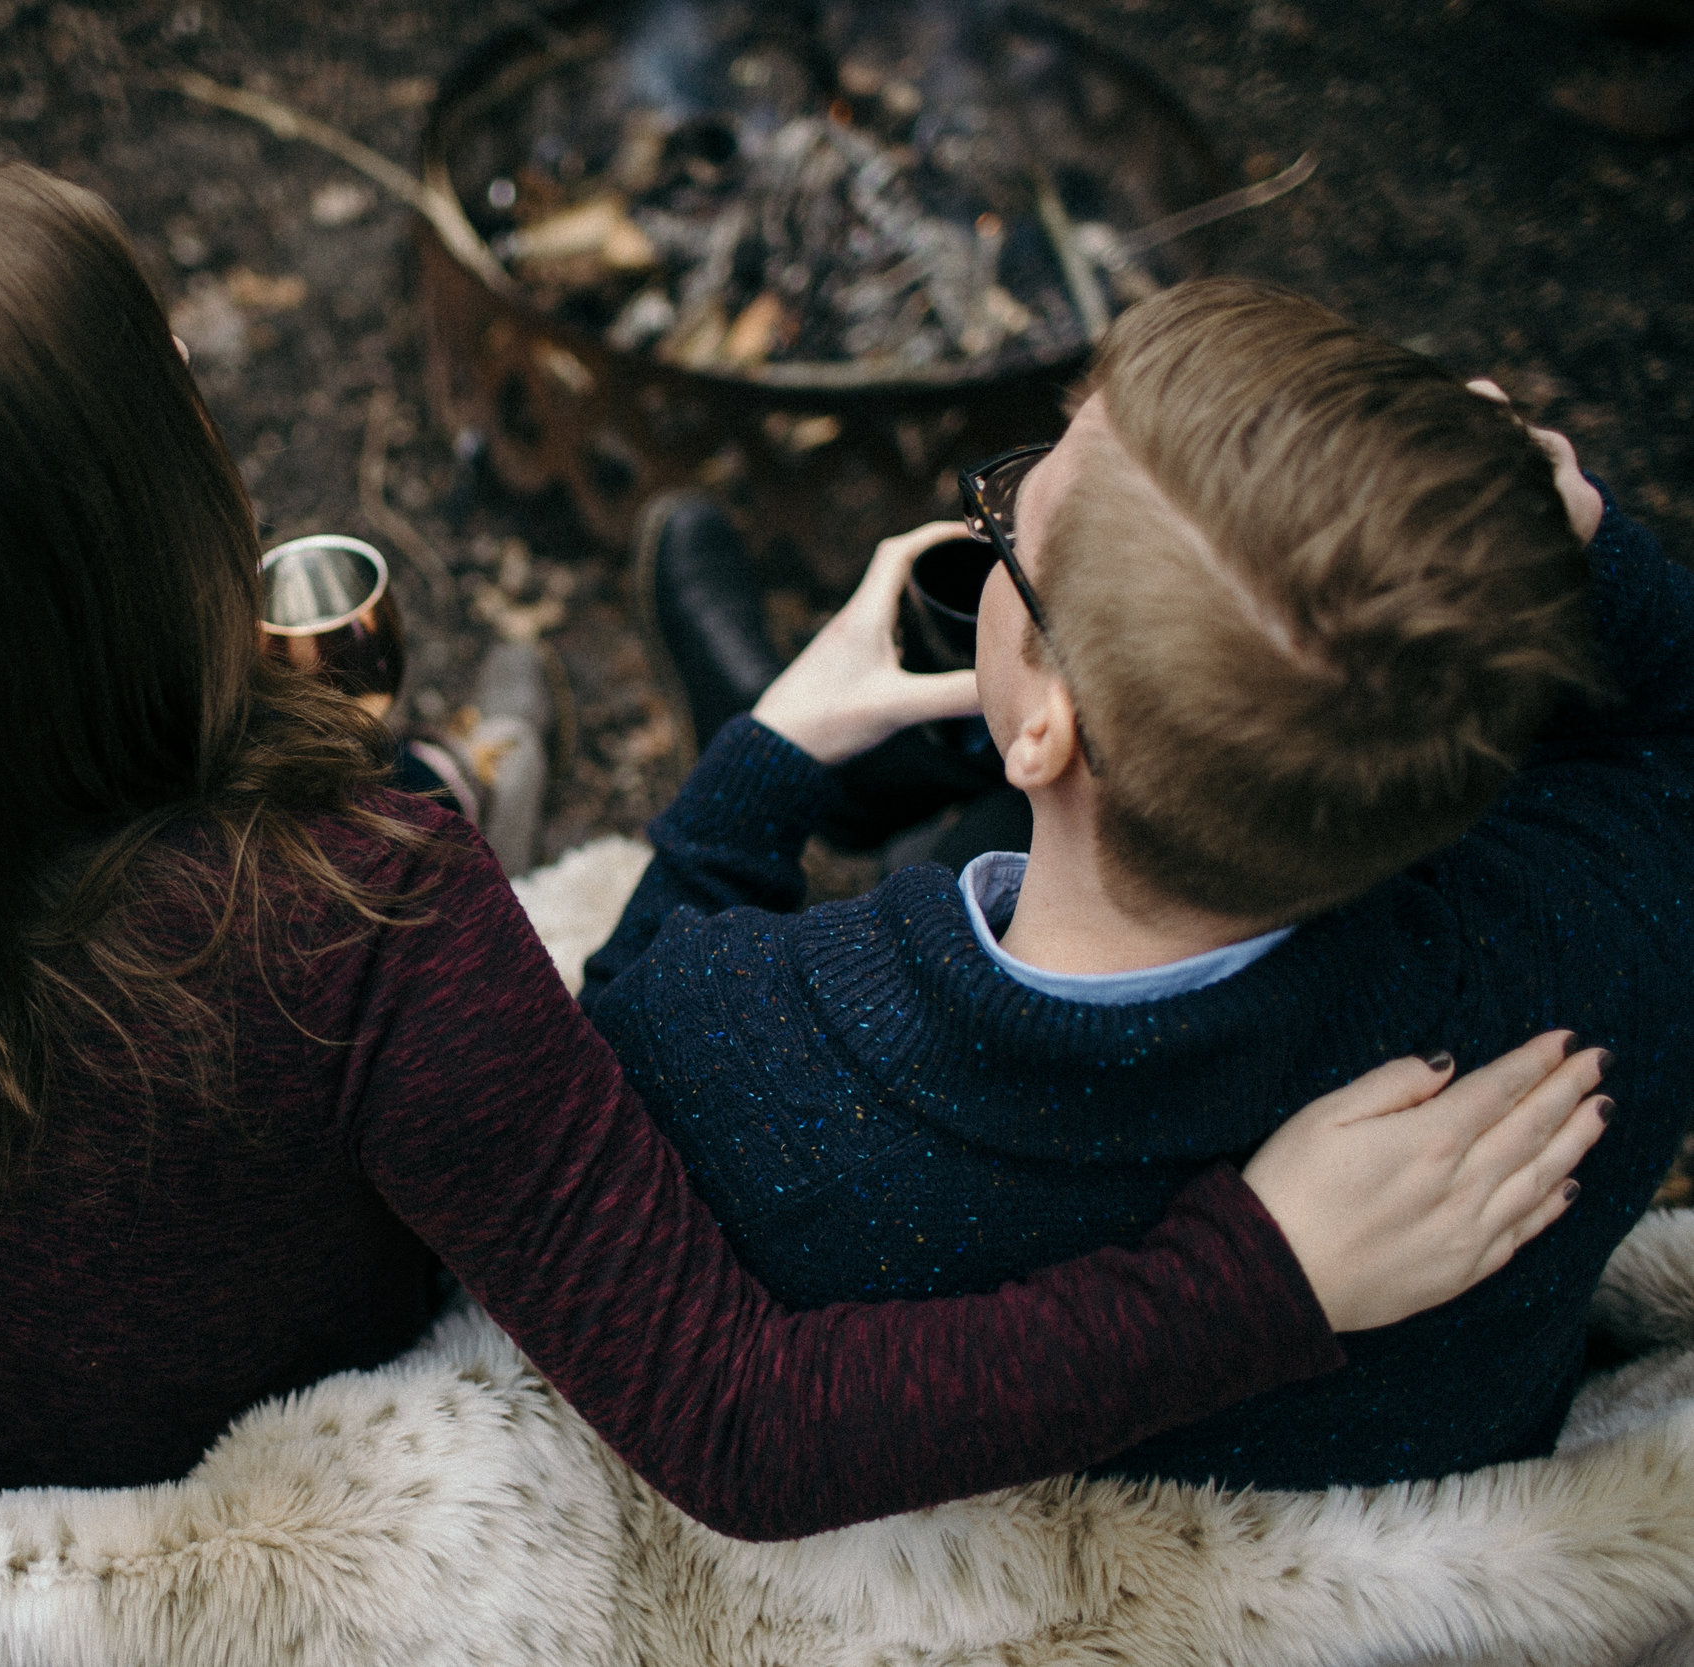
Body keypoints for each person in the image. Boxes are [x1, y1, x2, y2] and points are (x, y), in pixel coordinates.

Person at [0, 170, 1606, 1537]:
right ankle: (746, 713)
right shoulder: (366, 901)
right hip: (181, 1463)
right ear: (130, 520)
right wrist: (1253, 1272)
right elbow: (738, 1419)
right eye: (170, 372)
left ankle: (743, 704)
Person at [590, 277, 1689, 1491]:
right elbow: (1665, 719)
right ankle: (925, 790)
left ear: (1049, 726)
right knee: (973, 829)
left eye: (1008, 521)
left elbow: (591, 1084)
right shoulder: (1612, 941)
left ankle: (859, 783)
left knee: (942, 850)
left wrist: (765, 760)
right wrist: (1558, 545)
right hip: (1393, 1492)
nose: (993, 516)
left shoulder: (761, 1054)